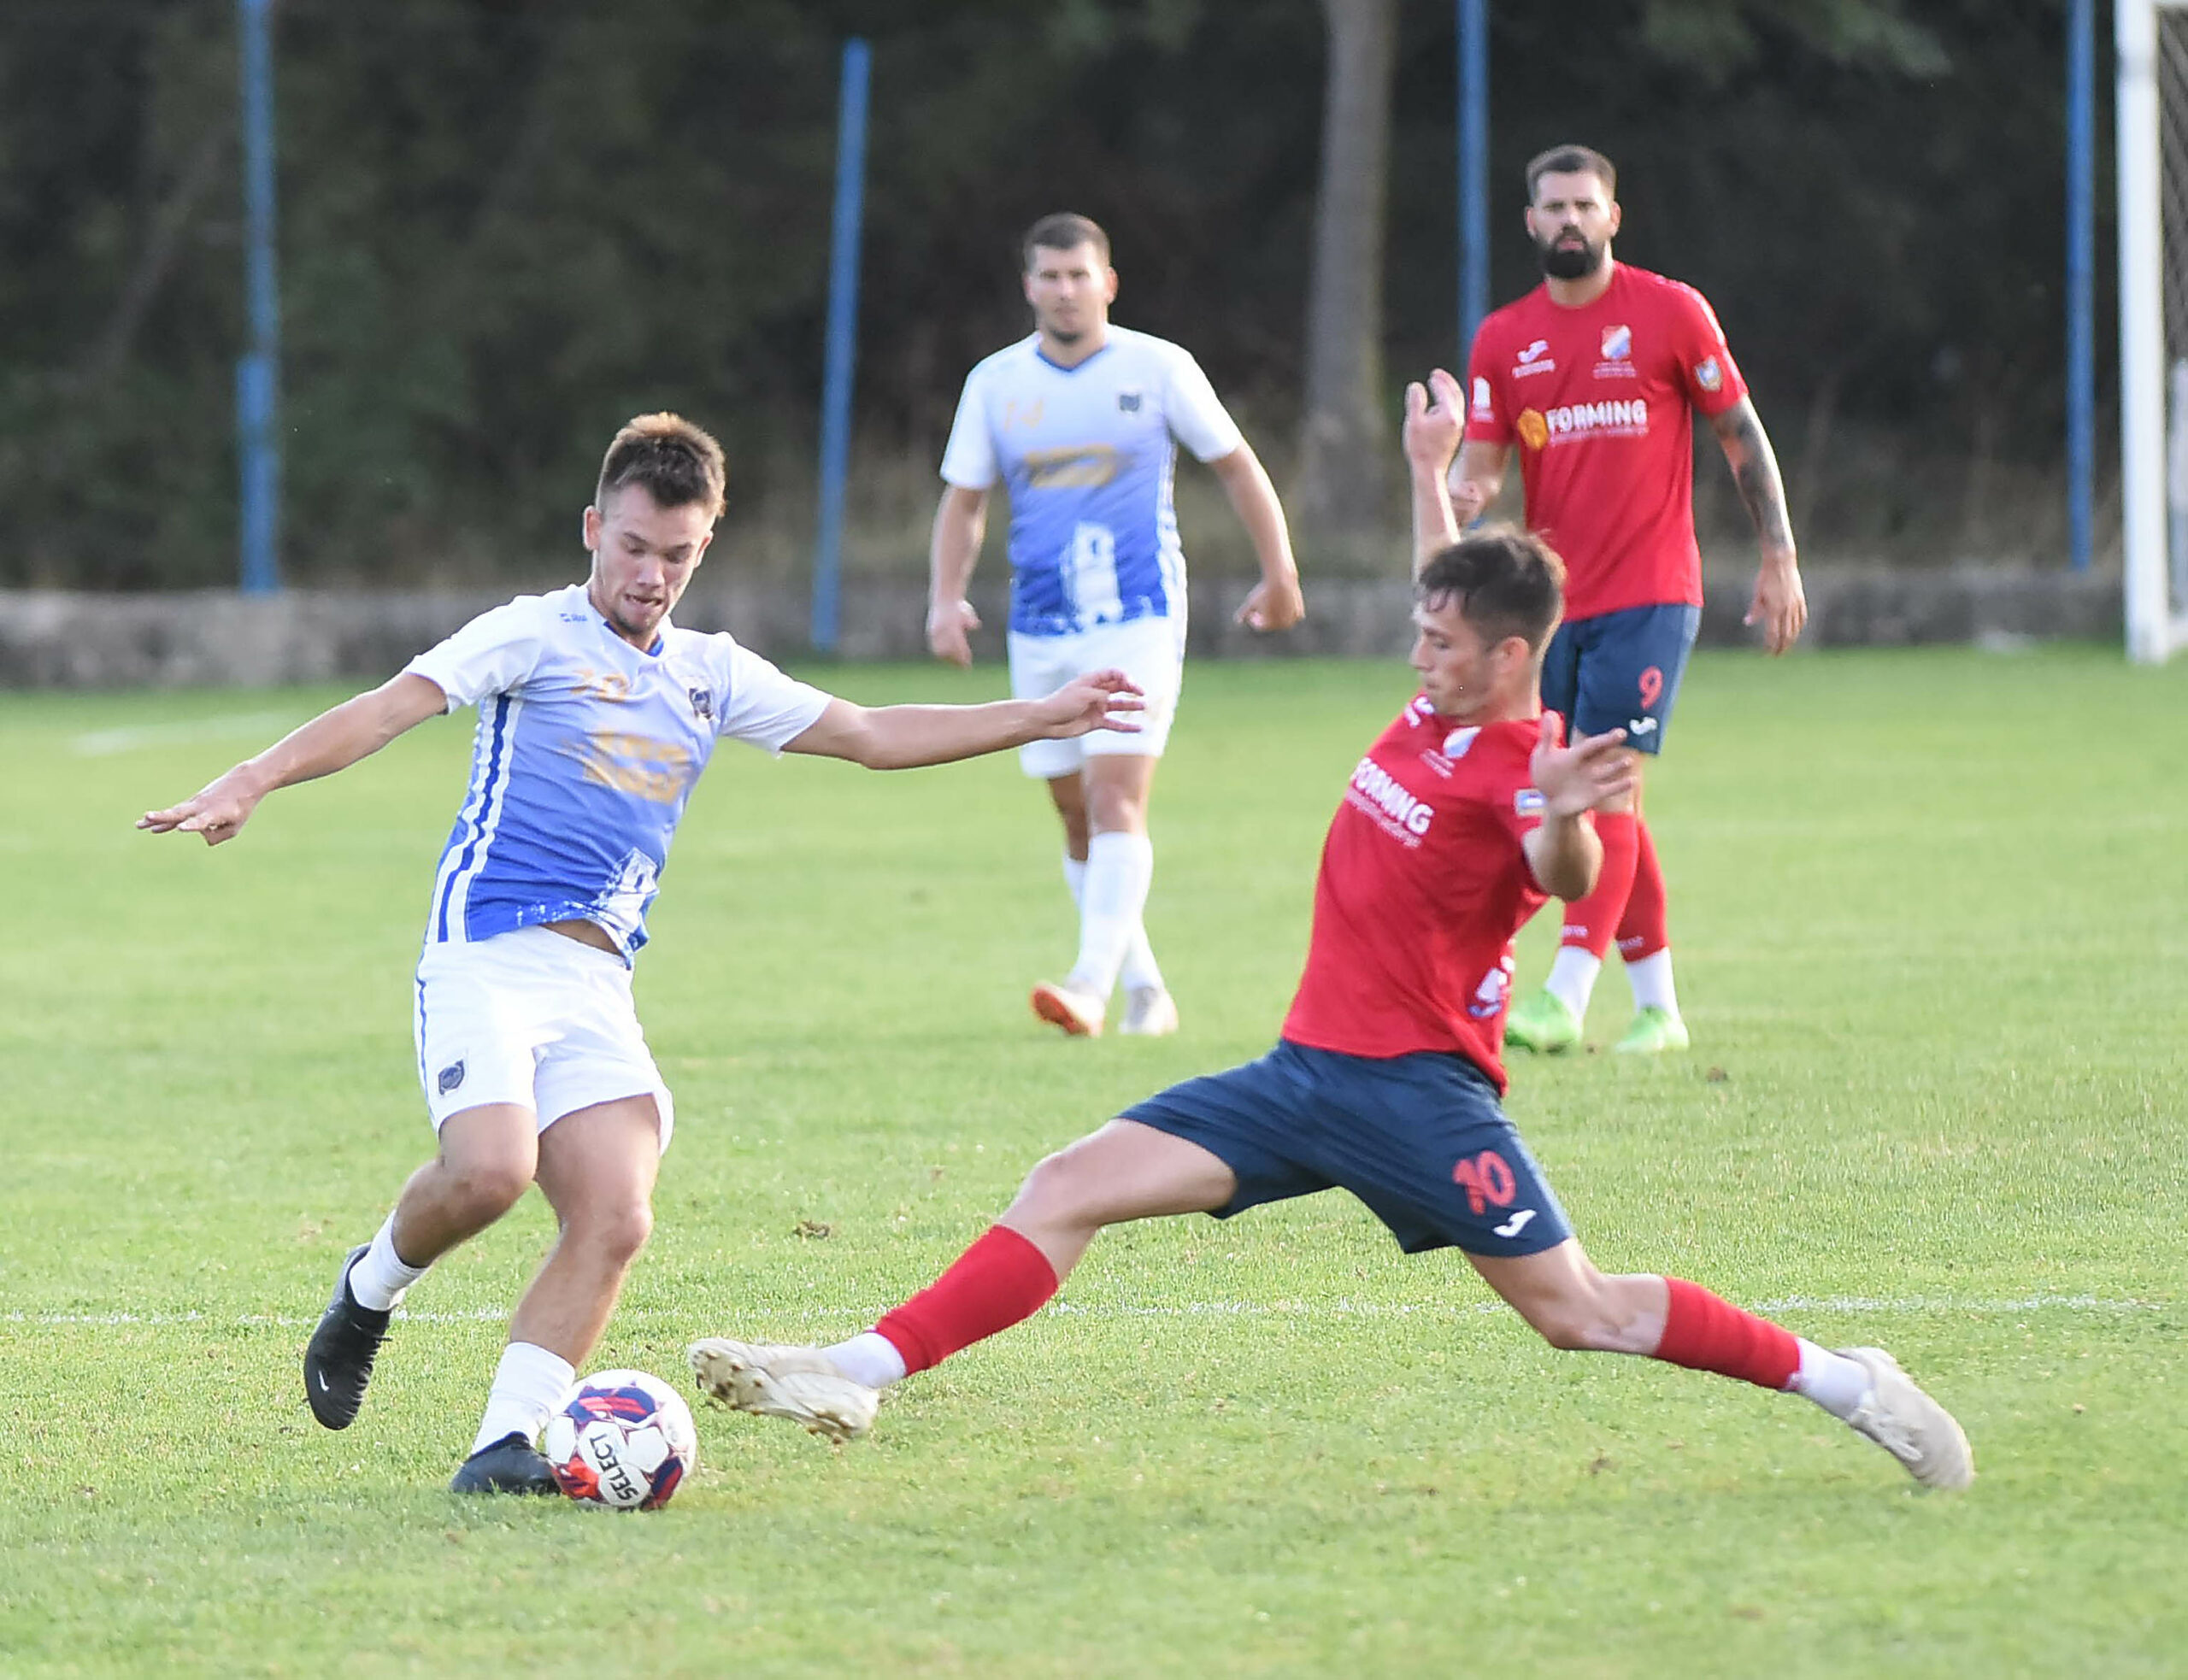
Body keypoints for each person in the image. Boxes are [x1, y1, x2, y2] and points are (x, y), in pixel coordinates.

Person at [684, 381, 1972, 1493]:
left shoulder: (1525, 765)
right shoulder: (1439, 703)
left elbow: (1554, 864)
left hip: (1420, 1100)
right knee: (1067, 1182)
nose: (1419, 647)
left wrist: (1577, 823)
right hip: (1302, 1077)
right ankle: (853, 1372)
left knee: (1580, 1312)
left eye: (1442, 638)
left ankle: (1850, 1382)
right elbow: (1451, 582)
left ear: (1511, 656)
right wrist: (1429, 476)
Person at [139, 413, 1144, 1495]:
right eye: (632, 547)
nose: (651, 573)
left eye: (675, 554)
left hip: (595, 982)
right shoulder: (531, 634)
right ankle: (369, 1290)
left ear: (703, 548)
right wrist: (249, 780)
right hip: (486, 954)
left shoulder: (711, 674)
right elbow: (390, 709)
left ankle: (500, 1448)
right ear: (592, 530)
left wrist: (1039, 716)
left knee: (616, 1214)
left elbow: (867, 734)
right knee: (487, 1174)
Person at [1453, 144, 1807, 1056]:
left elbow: (1739, 436)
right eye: (1552, 207)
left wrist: (1778, 556)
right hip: (1551, 607)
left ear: (1614, 217)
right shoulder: (1503, 339)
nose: (1568, 220)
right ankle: (1660, 1009)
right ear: (1529, 222)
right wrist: (1443, 482)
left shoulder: (1669, 313)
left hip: (1652, 592)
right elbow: (1481, 470)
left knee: (1602, 779)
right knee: (1609, 801)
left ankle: (1565, 994)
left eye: (1584, 205)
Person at [927, 211, 1305, 1040]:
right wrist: (943, 597)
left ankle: (1090, 984)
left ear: (1108, 282)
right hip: (1040, 626)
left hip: (1138, 616)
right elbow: (965, 500)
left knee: (1113, 799)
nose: (1065, 291)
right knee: (1073, 815)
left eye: (1079, 275)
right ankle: (1144, 988)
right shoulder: (995, 382)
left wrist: (1279, 572)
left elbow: (1236, 465)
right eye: (1050, 277)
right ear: (1029, 286)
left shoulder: (1158, 367)